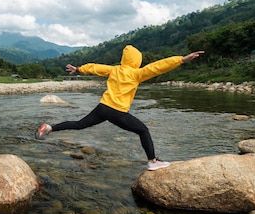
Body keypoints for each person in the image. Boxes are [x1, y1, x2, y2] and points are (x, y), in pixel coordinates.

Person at [35, 45, 204, 171]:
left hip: (103, 107)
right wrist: (181, 59)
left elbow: (96, 67)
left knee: (80, 124)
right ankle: (153, 161)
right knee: (143, 131)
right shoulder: (137, 74)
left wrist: (79, 68)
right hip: (117, 111)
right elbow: (157, 67)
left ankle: (50, 127)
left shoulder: (114, 70)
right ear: (136, 60)